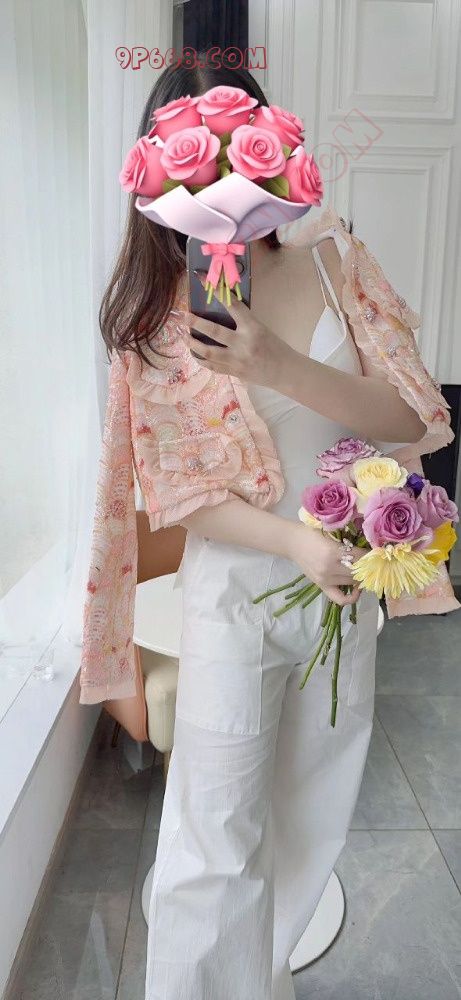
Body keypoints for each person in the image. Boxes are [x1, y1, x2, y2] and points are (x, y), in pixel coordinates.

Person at [87, 54, 456, 1000]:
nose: (221, 177)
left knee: (308, 814)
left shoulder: (336, 263)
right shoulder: (156, 312)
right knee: (213, 839)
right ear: (159, 171)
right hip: (236, 599)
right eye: (196, 157)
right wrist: (299, 545)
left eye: (240, 148)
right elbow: (175, 493)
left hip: (343, 603)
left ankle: (259, 978)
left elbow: (412, 418)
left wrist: (278, 366)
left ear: (273, 153)